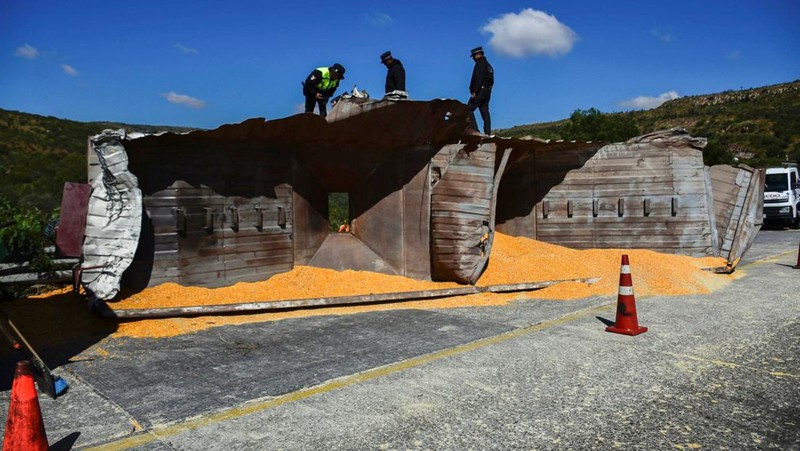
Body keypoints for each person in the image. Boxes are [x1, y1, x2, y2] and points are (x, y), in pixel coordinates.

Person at [467, 46, 494, 135]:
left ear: (478, 55)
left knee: (468, 108)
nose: (473, 58)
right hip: (488, 91)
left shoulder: (480, 64)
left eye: (474, 56)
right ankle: (487, 132)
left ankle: (475, 130)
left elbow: (478, 78)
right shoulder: (489, 66)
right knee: (484, 110)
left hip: (480, 91)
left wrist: (474, 91)